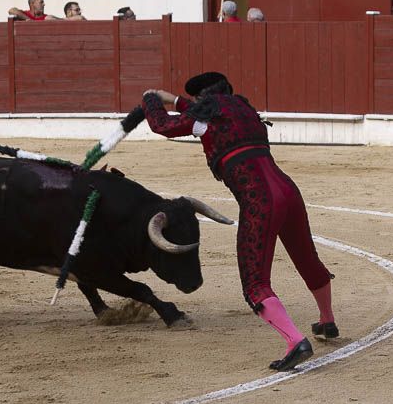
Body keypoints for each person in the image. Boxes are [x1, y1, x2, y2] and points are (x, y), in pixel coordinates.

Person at [141, 72, 338, 371]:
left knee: (255, 282)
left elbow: (162, 125)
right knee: (306, 258)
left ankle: (294, 341)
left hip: (260, 200)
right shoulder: (244, 109)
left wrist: (151, 101)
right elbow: (203, 113)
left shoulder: (203, 118)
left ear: (201, 100)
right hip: (288, 191)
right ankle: (327, 320)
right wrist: (174, 99)